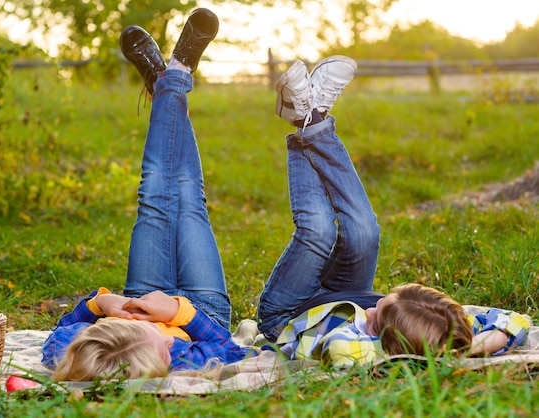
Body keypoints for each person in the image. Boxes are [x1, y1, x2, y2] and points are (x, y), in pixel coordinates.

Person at [256, 57, 531, 367]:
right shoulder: (427, 328)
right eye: (382, 304)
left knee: (317, 230)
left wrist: (427, 357)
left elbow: (340, 352)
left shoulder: (352, 346)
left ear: (390, 348)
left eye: (374, 321)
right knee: (365, 230)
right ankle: (308, 116)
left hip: (289, 312)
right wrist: (462, 349)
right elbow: (517, 322)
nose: (369, 312)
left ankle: (311, 118)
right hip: (346, 295)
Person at [41, 8, 256, 381]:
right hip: (202, 307)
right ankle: (172, 79)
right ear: (161, 361)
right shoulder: (181, 358)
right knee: (189, 199)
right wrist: (177, 314)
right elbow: (229, 350)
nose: (160, 334)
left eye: (144, 329)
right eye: (162, 344)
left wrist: (102, 303)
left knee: (154, 192)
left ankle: (170, 79)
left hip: (141, 289)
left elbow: (55, 342)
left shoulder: (86, 353)